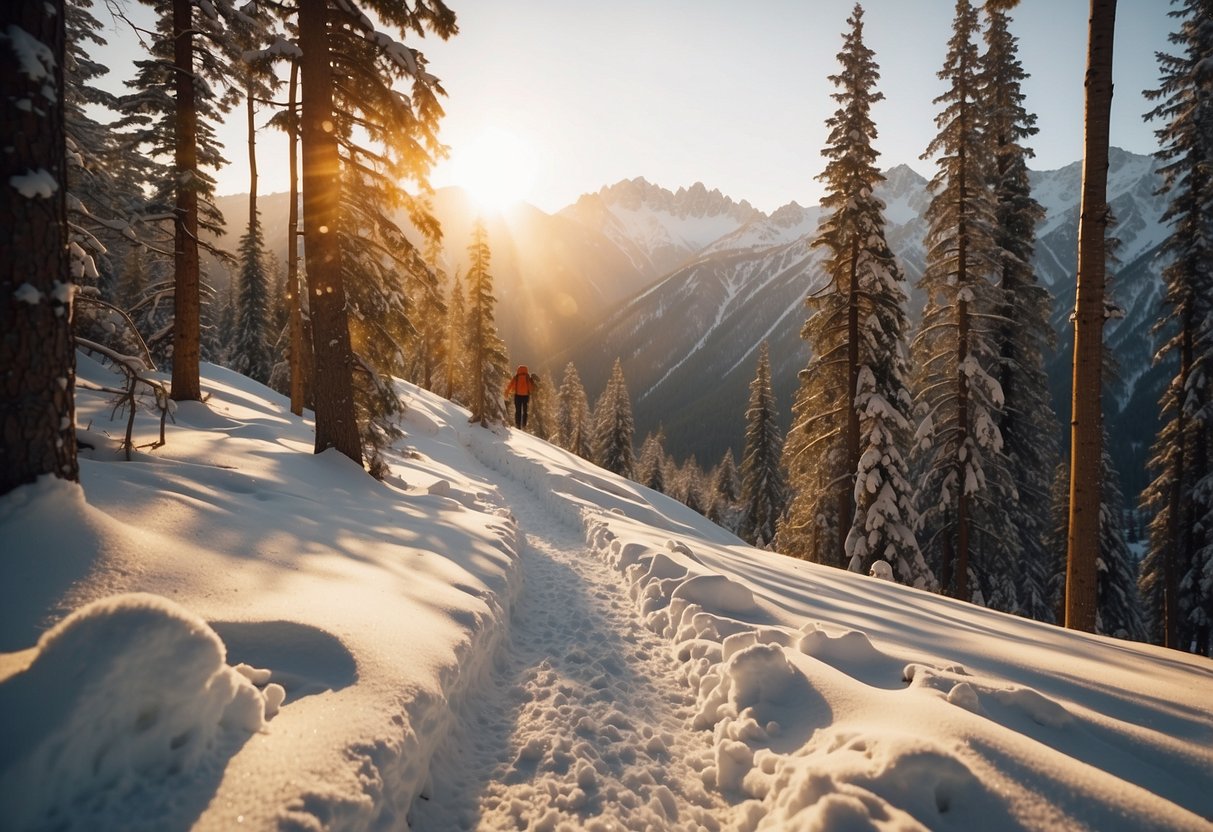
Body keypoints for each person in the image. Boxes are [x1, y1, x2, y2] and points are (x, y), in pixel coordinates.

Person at [504, 365, 534, 429]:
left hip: (517, 395)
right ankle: (524, 425)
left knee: (518, 411)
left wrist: (507, 392)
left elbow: (511, 384)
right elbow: (530, 387)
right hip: (526, 396)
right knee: (525, 411)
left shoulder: (516, 377)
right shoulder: (527, 377)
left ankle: (518, 425)